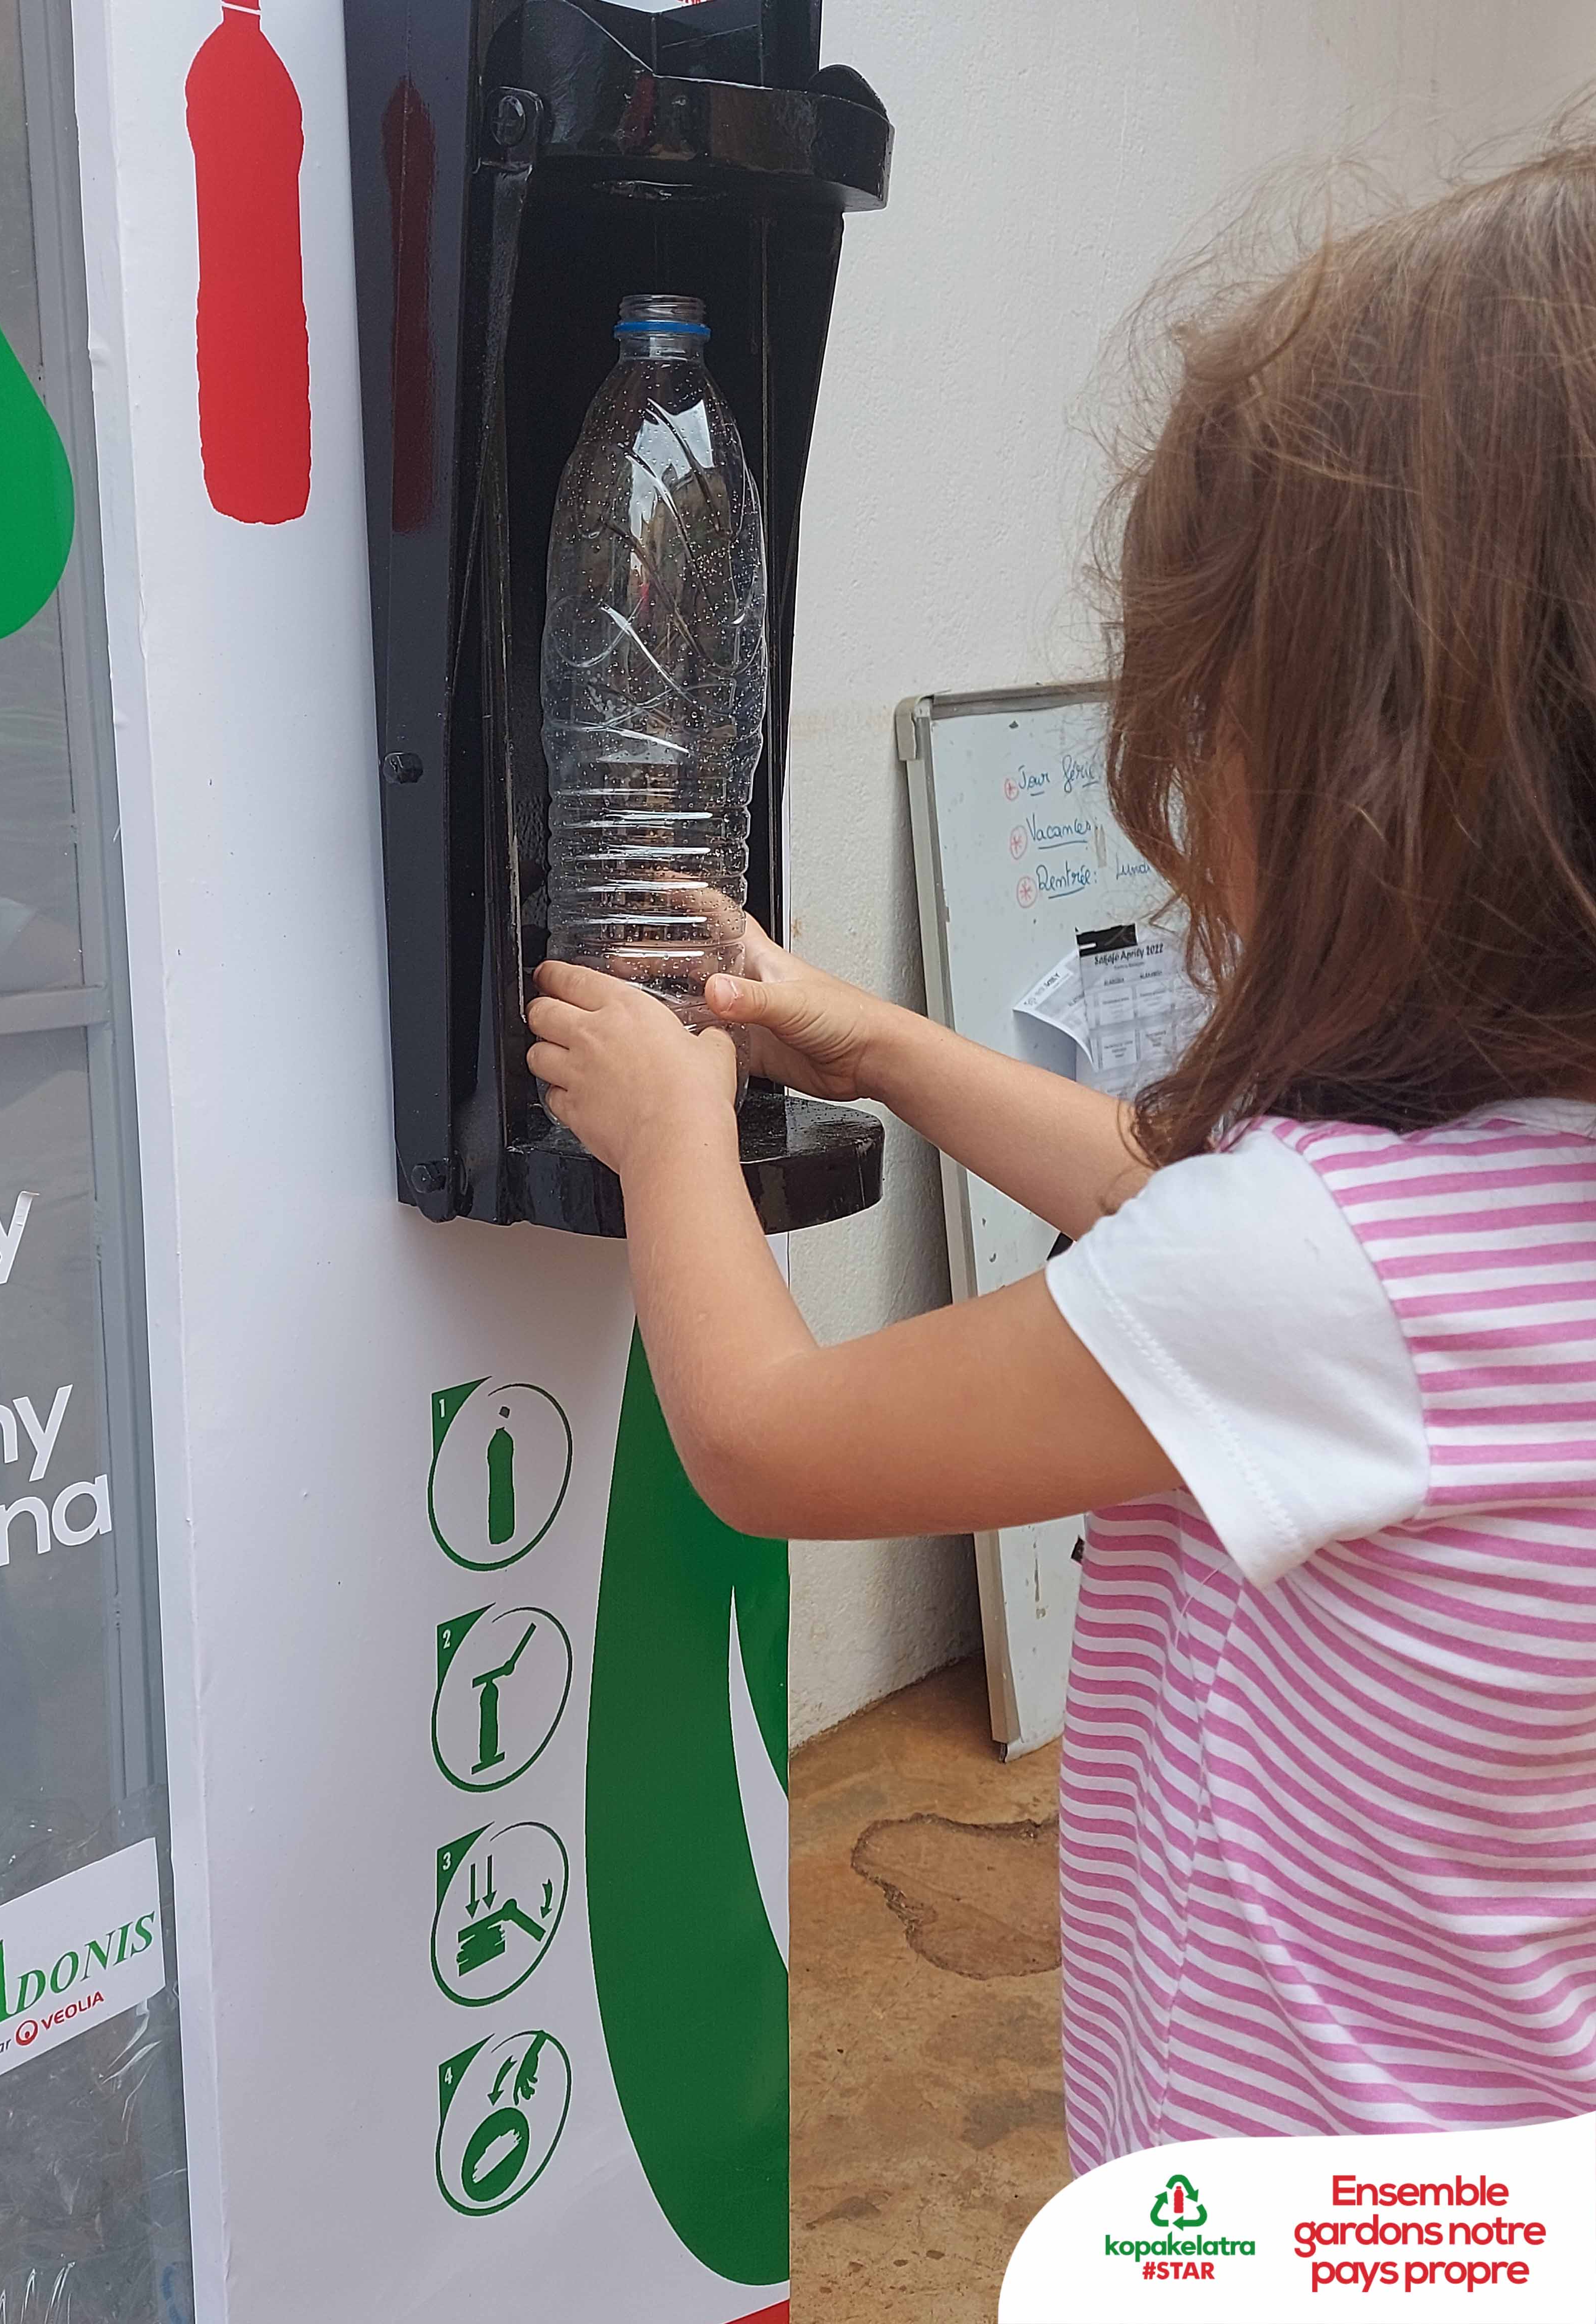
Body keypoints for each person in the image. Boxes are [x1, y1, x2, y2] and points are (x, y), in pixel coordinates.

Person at [526, 139, 1596, 2168]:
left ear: (1380, 777)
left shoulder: (1308, 1277)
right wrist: (876, 1038)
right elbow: (1178, 1207)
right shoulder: (1494, 1203)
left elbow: (766, 1440)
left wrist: (676, 1126)